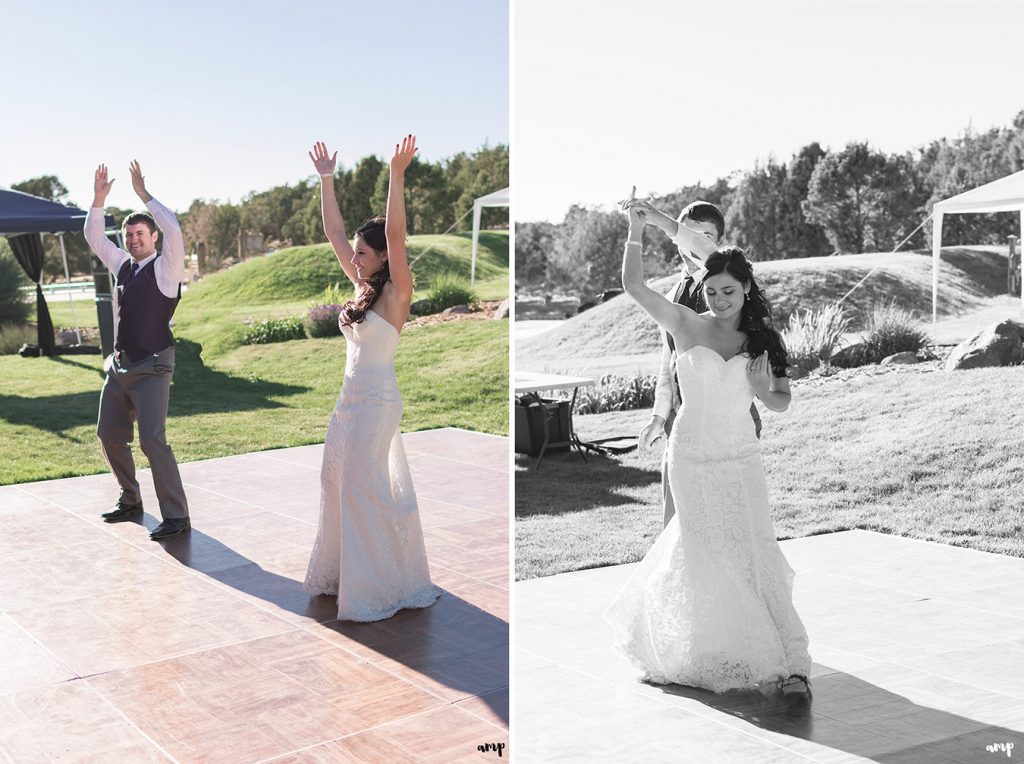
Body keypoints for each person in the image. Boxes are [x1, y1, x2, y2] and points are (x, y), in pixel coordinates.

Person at [605, 199, 812, 696]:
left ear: (746, 290)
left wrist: (764, 391)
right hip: (692, 455)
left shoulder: (760, 339)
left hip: (742, 456)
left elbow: (782, 401)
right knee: (701, 547)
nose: (719, 298)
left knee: (750, 547)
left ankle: (778, 652)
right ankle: (702, 645)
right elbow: (635, 287)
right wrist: (637, 230)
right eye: (712, 290)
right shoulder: (684, 324)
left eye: (729, 291)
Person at [303, 135, 440, 622]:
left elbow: (398, 235)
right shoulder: (363, 289)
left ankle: (380, 583)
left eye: (364, 252)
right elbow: (333, 232)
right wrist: (326, 178)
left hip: (378, 401)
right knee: (334, 479)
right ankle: (345, 574)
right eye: (357, 252)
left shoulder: (396, 293)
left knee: (363, 485)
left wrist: (396, 175)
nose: (355, 257)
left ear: (384, 256)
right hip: (348, 399)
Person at [623, 196, 761, 528]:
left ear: (719, 243)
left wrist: (659, 219)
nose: (693, 244)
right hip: (683, 420)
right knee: (678, 518)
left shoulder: (728, 283)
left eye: (703, 237)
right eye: (687, 235)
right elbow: (667, 361)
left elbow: (701, 248)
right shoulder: (673, 296)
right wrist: (660, 415)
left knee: (727, 517)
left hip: (731, 419)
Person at [85, 162, 191, 541]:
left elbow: (175, 228)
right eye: (128, 234)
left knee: (151, 440)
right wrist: (99, 199)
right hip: (120, 366)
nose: (132, 239)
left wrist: (144, 193)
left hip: (154, 366)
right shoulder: (123, 268)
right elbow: (96, 239)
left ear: (153, 237)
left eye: (140, 233)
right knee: (109, 434)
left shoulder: (166, 269)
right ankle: (130, 499)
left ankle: (176, 516)